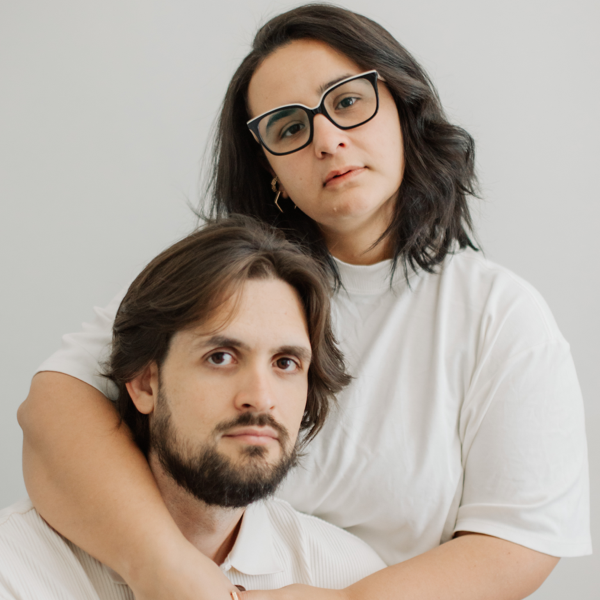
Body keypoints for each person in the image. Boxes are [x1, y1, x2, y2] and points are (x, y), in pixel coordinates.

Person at [18, 4, 591, 600]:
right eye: (289, 128)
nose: (327, 140)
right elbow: (53, 409)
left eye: (348, 101)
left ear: (402, 106)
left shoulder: (498, 314)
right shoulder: (223, 281)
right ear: (268, 165)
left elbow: (520, 539)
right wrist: (170, 573)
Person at [0, 217, 385, 599]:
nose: (260, 397)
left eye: (285, 363)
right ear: (145, 384)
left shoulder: (346, 573)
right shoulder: (14, 569)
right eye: (221, 357)